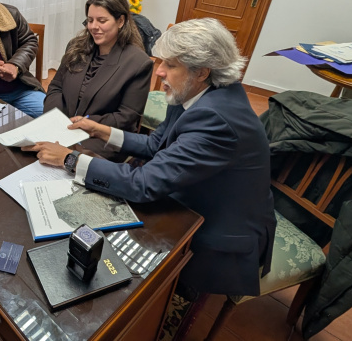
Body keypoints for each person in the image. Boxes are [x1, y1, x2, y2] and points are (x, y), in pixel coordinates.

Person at [25, 18, 275, 298]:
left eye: (170, 64)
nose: (160, 71)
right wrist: (104, 131)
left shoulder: (214, 118)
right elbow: (158, 143)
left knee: (134, 283)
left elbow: (144, 184)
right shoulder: (198, 92)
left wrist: (70, 159)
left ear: (203, 71)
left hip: (222, 230)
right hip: (196, 193)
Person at [44, 0, 153, 160]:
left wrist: (84, 124)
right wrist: (57, 119)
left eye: (102, 20)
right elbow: (56, 87)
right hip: (63, 128)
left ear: (121, 21)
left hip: (102, 138)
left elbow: (126, 117)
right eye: (90, 20)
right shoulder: (76, 47)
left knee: (63, 164)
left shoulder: (138, 63)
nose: (94, 27)